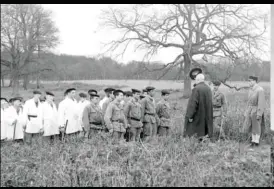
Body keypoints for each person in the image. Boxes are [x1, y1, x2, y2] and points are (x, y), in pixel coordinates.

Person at [184, 73, 213, 140]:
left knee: (195, 134)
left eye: (195, 80)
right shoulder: (208, 88)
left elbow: (193, 104)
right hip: (207, 116)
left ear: (197, 80)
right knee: (205, 134)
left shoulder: (196, 89)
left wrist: (190, 116)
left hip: (198, 116)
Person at [242, 76, 266, 147]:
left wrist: (259, 113)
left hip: (256, 109)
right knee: (250, 125)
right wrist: (246, 111)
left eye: (250, 81)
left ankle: (256, 141)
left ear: (255, 81)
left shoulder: (260, 89)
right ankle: (253, 140)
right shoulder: (251, 90)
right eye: (248, 81)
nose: (249, 82)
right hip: (250, 110)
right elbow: (248, 102)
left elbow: (261, 103)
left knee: (257, 125)